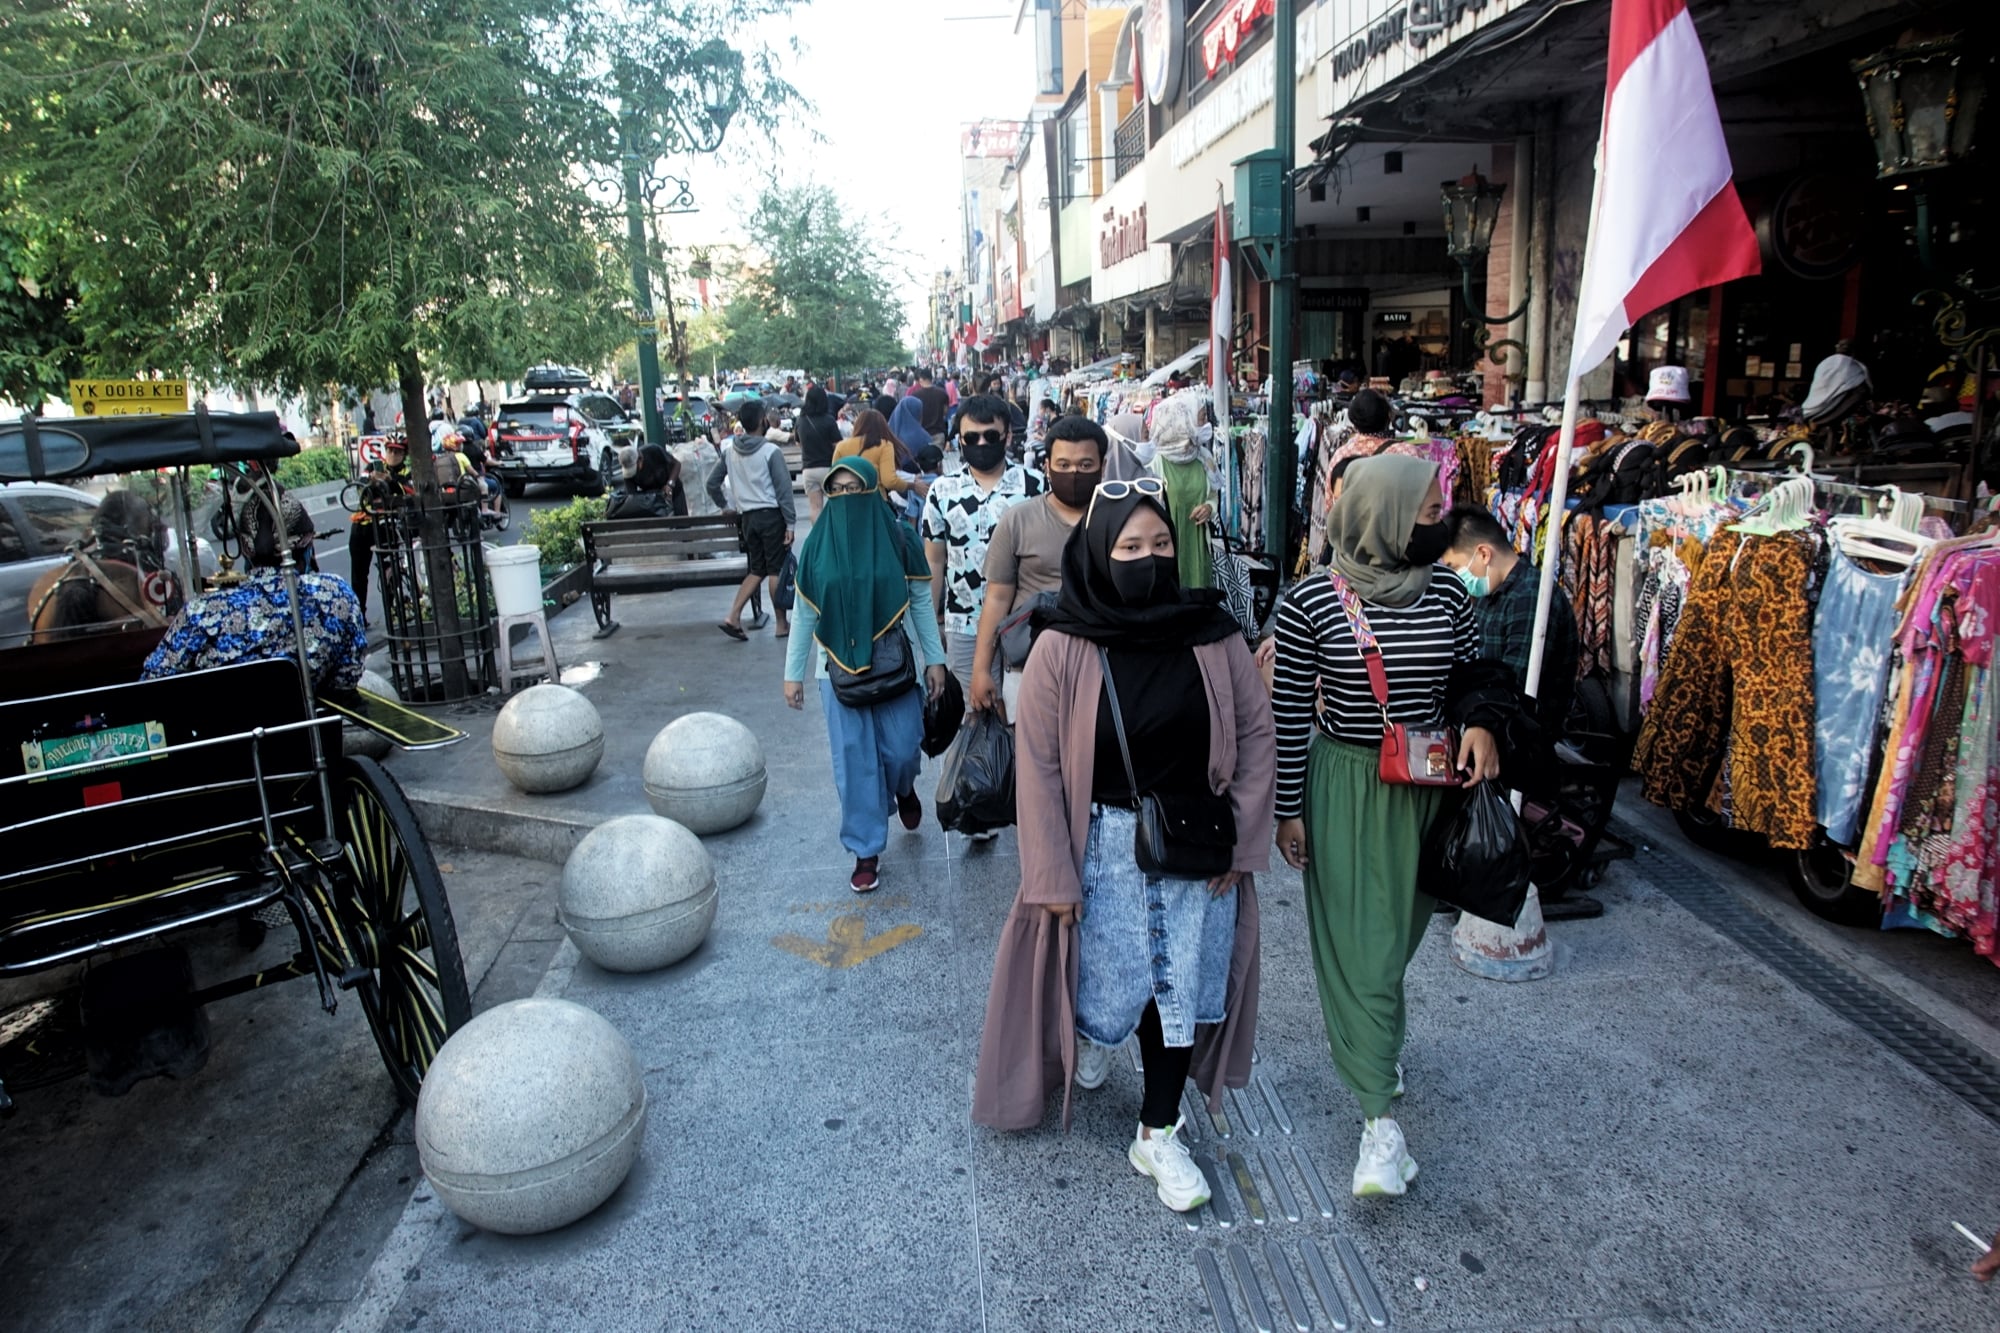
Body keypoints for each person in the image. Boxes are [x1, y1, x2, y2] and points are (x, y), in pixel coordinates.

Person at [970, 481, 1274, 1214]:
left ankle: (1158, 1129)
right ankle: (1096, 1041)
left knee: (1175, 994)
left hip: (1193, 845)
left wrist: (1243, 841)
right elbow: (1040, 766)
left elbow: (1255, 733)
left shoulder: (1213, 633)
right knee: (1102, 991)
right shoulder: (1062, 645)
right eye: (1130, 546)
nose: (1149, 558)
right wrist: (1051, 873)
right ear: (1098, 554)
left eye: (1161, 543)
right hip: (1100, 849)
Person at [1269, 455, 1502, 1199]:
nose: (1443, 521)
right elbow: (1287, 714)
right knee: (1363, 953)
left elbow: (1471, 679)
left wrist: (1481, 721)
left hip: (1428, 791)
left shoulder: (1449, 593)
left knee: (1394, 941)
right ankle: (1378, 1124)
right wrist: (1288, 808)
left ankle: (1379, 1045)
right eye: (1430, 511)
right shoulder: (1311, 601)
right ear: (1386, 516)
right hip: (1345, 786)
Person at [782, 457, 949, 894]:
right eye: (837, 491)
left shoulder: (900, 538)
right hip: (835, 671)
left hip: (895, 664)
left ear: (873, 491)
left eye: (855, 489)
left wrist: (935, 660)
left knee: (902, 750)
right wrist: (792, 674)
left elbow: (920, 602)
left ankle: (904, 788)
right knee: (854, 761)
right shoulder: (817, 546)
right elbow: (804, 613)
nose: (846, 498)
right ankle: (866, 849)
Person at [143, 492, 366, 690]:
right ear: (307, 546)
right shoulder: (336, 595)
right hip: (310, 722)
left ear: (246, 550)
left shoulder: (200, 613)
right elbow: (347, 678)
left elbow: (153, 684)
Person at [970, 415, 1104, 720]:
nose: (1074, 473)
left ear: (1103, 466)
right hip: (1028, 665)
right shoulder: (1018, 521)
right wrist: (981, 670)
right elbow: (997, 599)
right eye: (1063, 465)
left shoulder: (1121, 521)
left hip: (1101, 662)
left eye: (1085, 465)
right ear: (1047, 466)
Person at [920, 394, 1045, 692]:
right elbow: (934, 561)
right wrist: (931, 629)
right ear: (960, 440)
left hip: (1024, 621)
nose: (980, 444)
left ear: (1007, 436)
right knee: (974, 710)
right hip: (963, 624)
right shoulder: (942, 490)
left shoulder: (1035, 485)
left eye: (990, 436)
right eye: (971, 437)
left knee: (1023, 710)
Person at [1442, 505, 1578, 737]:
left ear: (1484, 554)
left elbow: (1514, 686)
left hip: (1518, 736)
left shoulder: (1530, 597)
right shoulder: (1489, 593)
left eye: (1454, 567)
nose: (1454, 577)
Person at [706, 399, 794, 642]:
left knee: (757, 569)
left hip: (747, 519)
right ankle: (781, 623)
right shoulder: (770, 452)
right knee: (775, 569)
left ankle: (733, 615)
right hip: (771, 516)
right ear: (762, 421)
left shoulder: (729, 452)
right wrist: (790, 522)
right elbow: (784, 490)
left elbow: (712, 484)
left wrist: (725, 506)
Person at [1147, 396, 1218, 590]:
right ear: (1184, 421)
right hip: (1167, 546)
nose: (1206, 423)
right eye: (1201, 418)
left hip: (1197, 545)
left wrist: (1209, 508)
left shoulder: (1204, 458)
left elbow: (1213, 496)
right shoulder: (1155, 464)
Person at [833, 410, 914, 500]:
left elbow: (834, 478)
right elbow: (889, 481)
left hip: (848, 500)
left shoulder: (841, 446)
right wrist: (911, 486)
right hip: (875, 500)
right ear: (882, 427)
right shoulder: (884, 445)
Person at [795, 385, 843, 520]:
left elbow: (798, 443)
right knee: (836, 506)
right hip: (828, 469)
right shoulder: (829, 420)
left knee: (815, 507)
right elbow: (838, 445)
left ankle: (818, 533)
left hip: (808, 470)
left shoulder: (801, 421)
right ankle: (833, 532)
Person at [608, 444, 680, 520]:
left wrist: (670, 484)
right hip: (653, 498)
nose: (634, 472)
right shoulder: (628, 475)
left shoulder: (653, 450)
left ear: (640, 459)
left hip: (673, 489)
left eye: (634, 468)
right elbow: (632, 495)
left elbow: (677, 464)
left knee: (681, 520)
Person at [913, 369, 951, 443]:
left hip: (921, 433)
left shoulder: (915, 395)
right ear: (931, 379)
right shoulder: (942, 393)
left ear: (921, 379)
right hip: (938, 432)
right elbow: (945, 412)